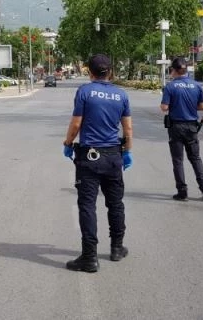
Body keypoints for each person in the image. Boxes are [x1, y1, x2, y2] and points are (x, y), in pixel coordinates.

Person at [62, 54, 133, 273]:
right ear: (109, 72)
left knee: (87, 205)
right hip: (113, 156)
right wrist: (127, 152)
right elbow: (127, 129)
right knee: (115, 203)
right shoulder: (121, 94)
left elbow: (76, 123)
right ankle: (116, 247)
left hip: (89, 157)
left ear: (89, 72)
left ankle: (90, 257)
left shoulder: (85, 92)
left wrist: (67, 142)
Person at [161, 56, 203, 201]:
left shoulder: (170, 86)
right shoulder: (197, 85)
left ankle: (182, 192)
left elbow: (164, 107)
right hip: (192, 126)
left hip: (176, 127)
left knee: (178, 160)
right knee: (195, 158)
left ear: (174, 70)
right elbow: (202, 107)